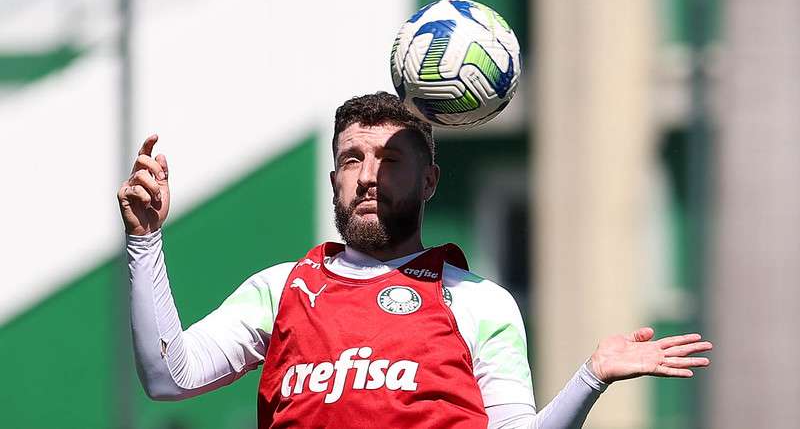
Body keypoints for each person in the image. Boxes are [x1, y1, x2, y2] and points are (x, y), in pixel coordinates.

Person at [119, 92, 712, 428]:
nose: (369, 175)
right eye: (353, 159)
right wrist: (146, 240)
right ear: (332, 181)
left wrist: (591, 377)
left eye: (390, 159)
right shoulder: (283, 289)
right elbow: (169, 377)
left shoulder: (478, 300)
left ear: (430, 180)